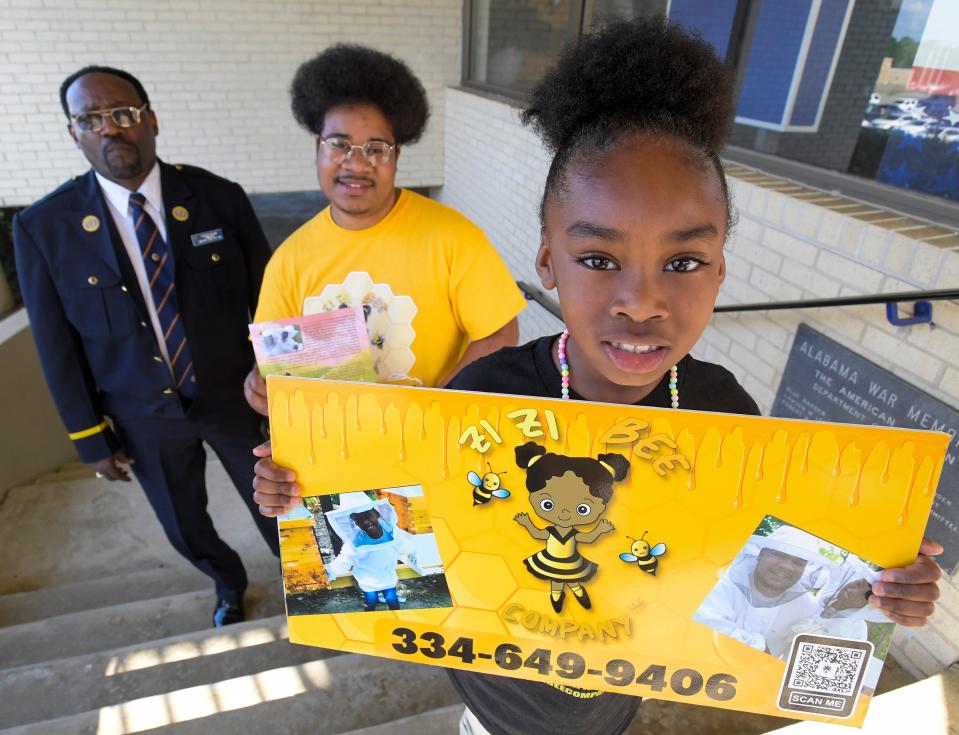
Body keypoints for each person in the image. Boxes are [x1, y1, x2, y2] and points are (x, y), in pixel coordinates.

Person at [249, 18, 943, 735]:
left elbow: (765, 574)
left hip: (617, 700)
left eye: (681, 263)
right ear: (546, 261)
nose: (641, 302)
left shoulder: (724, 412)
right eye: (599, 259)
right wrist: (305, 495)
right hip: (491, 707)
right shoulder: (482, 398)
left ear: (719, 271)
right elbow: (385, 559)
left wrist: (875, 588)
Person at [13, 66, 279, 627]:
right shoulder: (44, 227)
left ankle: (303, 579)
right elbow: (56, 345)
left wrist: (281, 384)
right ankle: (228, 583)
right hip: (141, 415)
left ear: (150, 121)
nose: (110, 129)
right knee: (184, 524)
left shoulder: (217, 198)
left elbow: (269, 301)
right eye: (91, 119)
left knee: (276, 505)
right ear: (74, 133)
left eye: (123, 114)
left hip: (237, 398)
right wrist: (90, 438)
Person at [244, 44, 525, 415]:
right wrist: (263, 385)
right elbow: (280, 363)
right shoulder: (289, 260)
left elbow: (500, 333)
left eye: (376, 148)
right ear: (317, 147)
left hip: (434, 444)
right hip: (338, 451)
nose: (356, 163)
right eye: (338, 144)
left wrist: (438, 405)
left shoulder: (453, 237)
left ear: (397, 156)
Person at [513, 442, 626, 612]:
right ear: (533, 498)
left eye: (582, 509)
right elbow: (537, 534)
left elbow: (587, 538)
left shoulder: (573, 533)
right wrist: (527, 523)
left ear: (600, 507)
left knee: (573, 580)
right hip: (552, 561)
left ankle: (579, 593)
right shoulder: (551, 532)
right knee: (556, 580)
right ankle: (557, 596)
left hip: (571, 563)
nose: (564, 513)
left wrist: (600, 529)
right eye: (548, 504)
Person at [692, 526, 832, 655]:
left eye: (798, 562)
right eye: (779, 555)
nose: (787, 567)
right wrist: (760, 648)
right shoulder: (722, 579)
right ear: (761, 554)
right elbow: (706, 622)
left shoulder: (807, 606)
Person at [325, 496, 417, 612]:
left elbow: (405, 546)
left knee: (391, 599)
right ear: (355, 523)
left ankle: (398, 619)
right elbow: (344, 559)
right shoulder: (356, 540)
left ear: (377, 514)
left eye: (368, 515)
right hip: (367, 579)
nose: (365, 521)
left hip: (388, 576)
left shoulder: (391, 531)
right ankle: (370, 619)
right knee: (371, 600)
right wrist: (329, 572)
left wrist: (416, 554)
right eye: (359, 519)